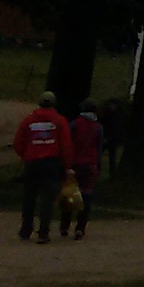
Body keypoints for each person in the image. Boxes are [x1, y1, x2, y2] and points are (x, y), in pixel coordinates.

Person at [13, 98, 69, 243]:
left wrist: (26, 155)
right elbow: (65, 144)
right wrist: (66, 164)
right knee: (47, 198)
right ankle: (43, 232)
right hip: (50, 162)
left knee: (29, 196)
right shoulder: (60, 121)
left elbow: (18, 142)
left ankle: (26, 229)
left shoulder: (28, 121)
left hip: (32, 162)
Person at [63, 101, 103, 238]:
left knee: (70, 194)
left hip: (74, 164)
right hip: (90, 165)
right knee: (86, 196)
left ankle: (65, 225)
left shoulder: (74, 124)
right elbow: (99, 149)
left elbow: (68, 144)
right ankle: (80, 228)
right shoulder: (98, 127)